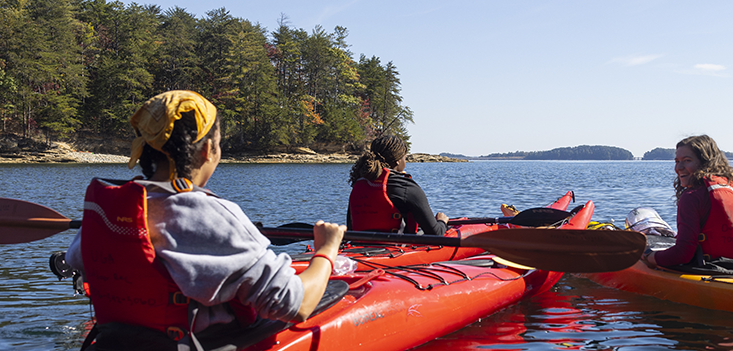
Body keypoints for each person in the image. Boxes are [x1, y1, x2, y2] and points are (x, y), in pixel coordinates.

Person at [64, 90, 347, 350]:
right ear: (207, 150)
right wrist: (327, 249)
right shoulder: (209, 214)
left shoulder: (106, 211)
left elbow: (76, 259)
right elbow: (296, 305)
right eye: (219, 145)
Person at [643, 135, 733, 277]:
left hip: (712, 270)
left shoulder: (692, 196)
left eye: (687, 161)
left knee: (644, 258)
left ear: (705, 163)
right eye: (677, 161)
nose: (679, 168)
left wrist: (648, 256)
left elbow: (682, 254)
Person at [346, 134, 448, 235]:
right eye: (405, 157)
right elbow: (435, 233)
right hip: (397, 247)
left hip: (359, 245)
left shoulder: (360, 184)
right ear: (398, 161)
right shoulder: (406, 187)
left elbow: (350, 226)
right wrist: (442, 221)